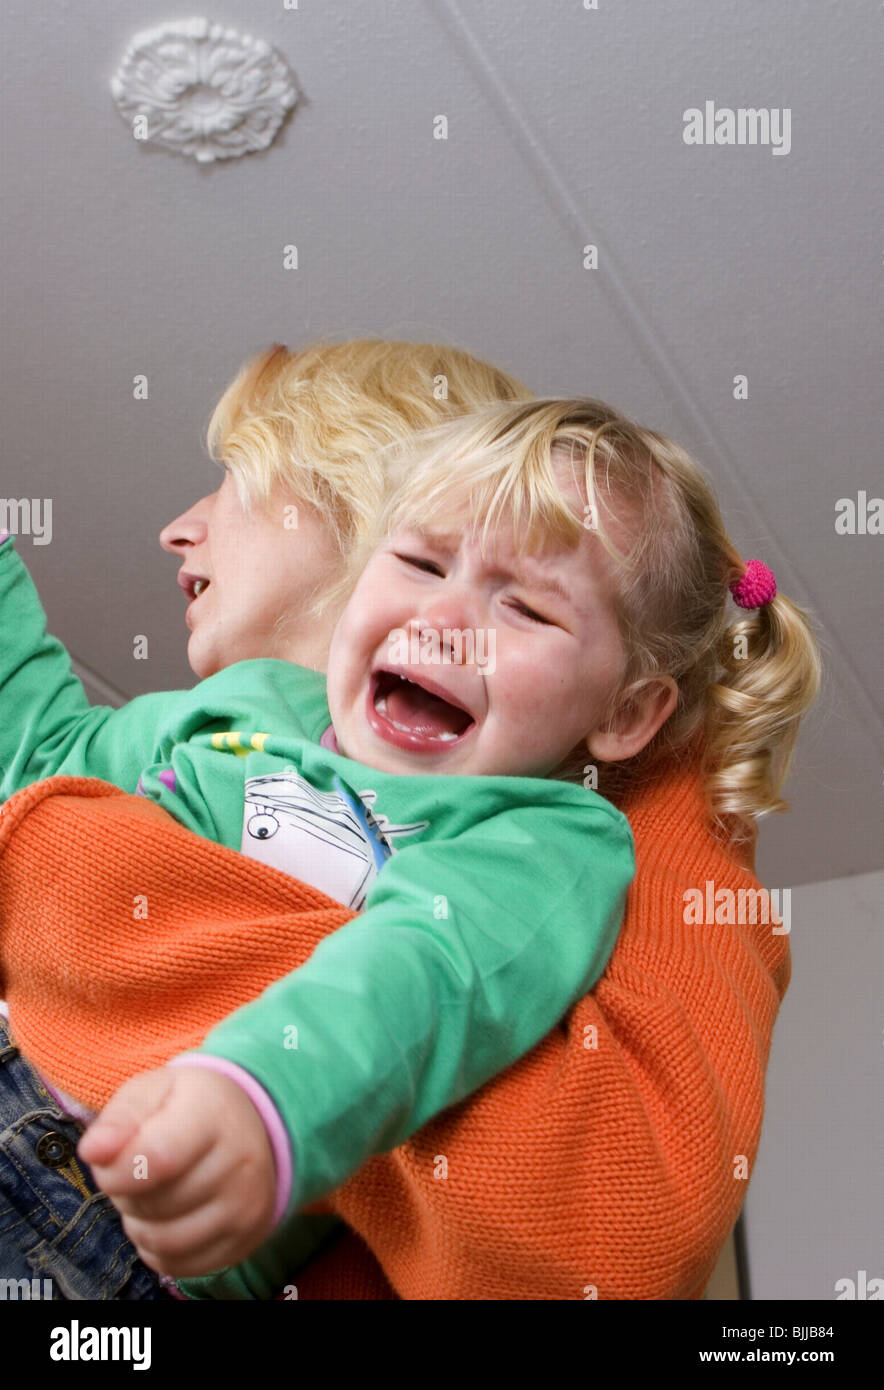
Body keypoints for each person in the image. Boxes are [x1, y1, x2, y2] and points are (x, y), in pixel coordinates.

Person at [0, 343, 820, 1300]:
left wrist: (264, 1104)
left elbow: (418, 978)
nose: (445, 620)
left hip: (87, 1225)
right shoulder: (258, 701)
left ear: (628, 714)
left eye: (526, 610)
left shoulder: (545, 836)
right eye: (422, 561)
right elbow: (46, 751)